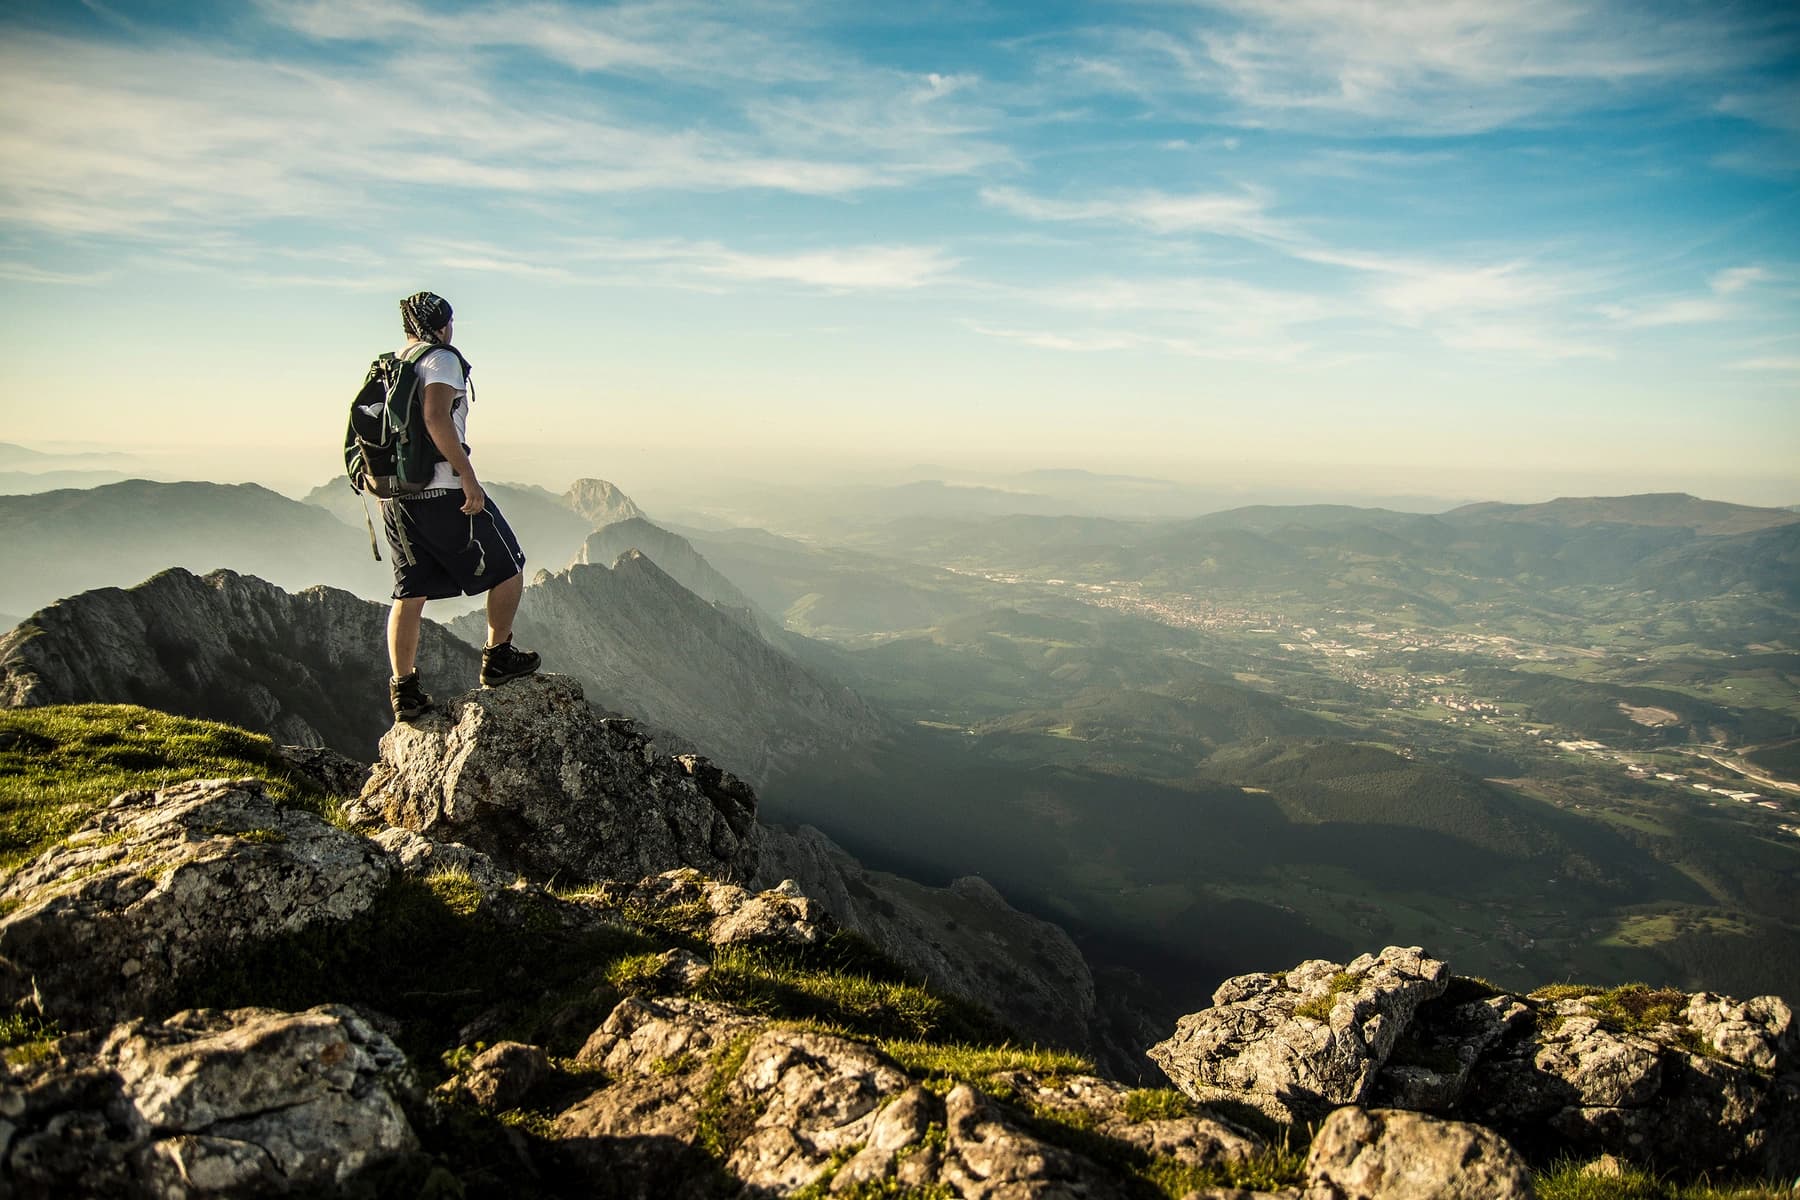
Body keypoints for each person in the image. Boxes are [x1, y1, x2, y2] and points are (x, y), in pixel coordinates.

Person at [382, 291, 539, 720]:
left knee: (409, 591)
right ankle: (498, 657)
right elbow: (435, 417)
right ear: (444, 323)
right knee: (509, 565)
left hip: (396, 498)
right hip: (442, 491)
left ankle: (405, 691)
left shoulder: (393, 363)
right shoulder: (441, 359)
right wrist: (467, 476)